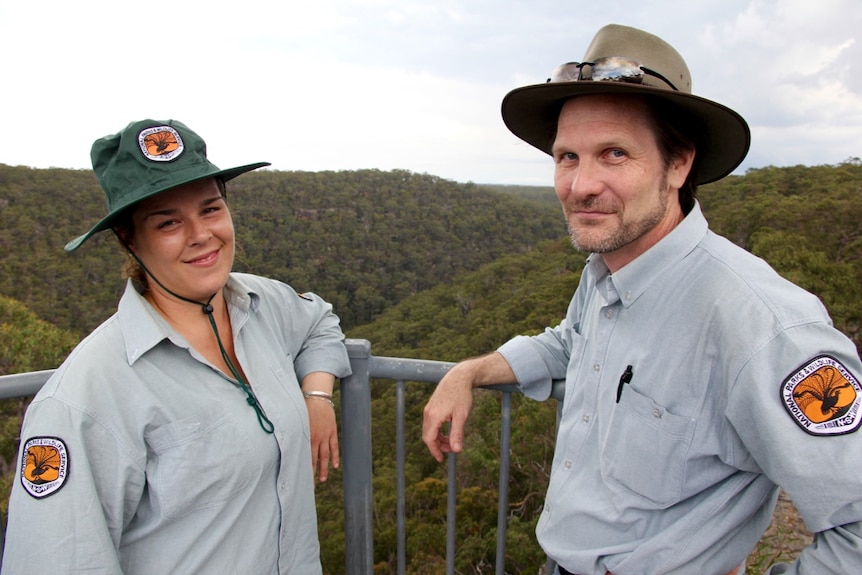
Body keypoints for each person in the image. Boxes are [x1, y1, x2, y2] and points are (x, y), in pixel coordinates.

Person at [422, 24, 862, 575]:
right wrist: (471, 371)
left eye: (614, 154)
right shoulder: (605, 273)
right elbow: (569, 343)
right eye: (567, 157)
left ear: (678, 165)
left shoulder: (765, 327)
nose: (580, 185)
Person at [2, 119, 352, 574]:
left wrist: (317, 396)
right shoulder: (83, 399)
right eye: (168, 222)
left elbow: (320, 322)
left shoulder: (262, 305)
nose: (201, 234)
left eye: (210, 209)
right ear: (129, 239)